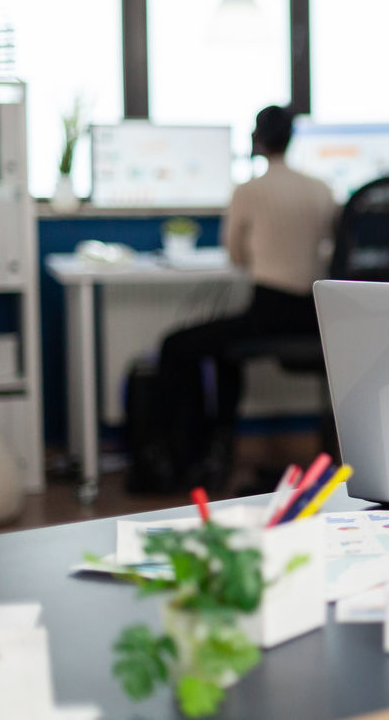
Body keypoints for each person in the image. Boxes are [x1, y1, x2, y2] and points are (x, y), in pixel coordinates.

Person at [154, 105, 337, 489]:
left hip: (269, 310)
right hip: (314, 316)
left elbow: (236, 257)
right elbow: (331, 247)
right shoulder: (321, 189)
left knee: (176, 345)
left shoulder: (249, 190)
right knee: (223, 348)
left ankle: (191, 458)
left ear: (257, 139)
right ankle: (215, 449)